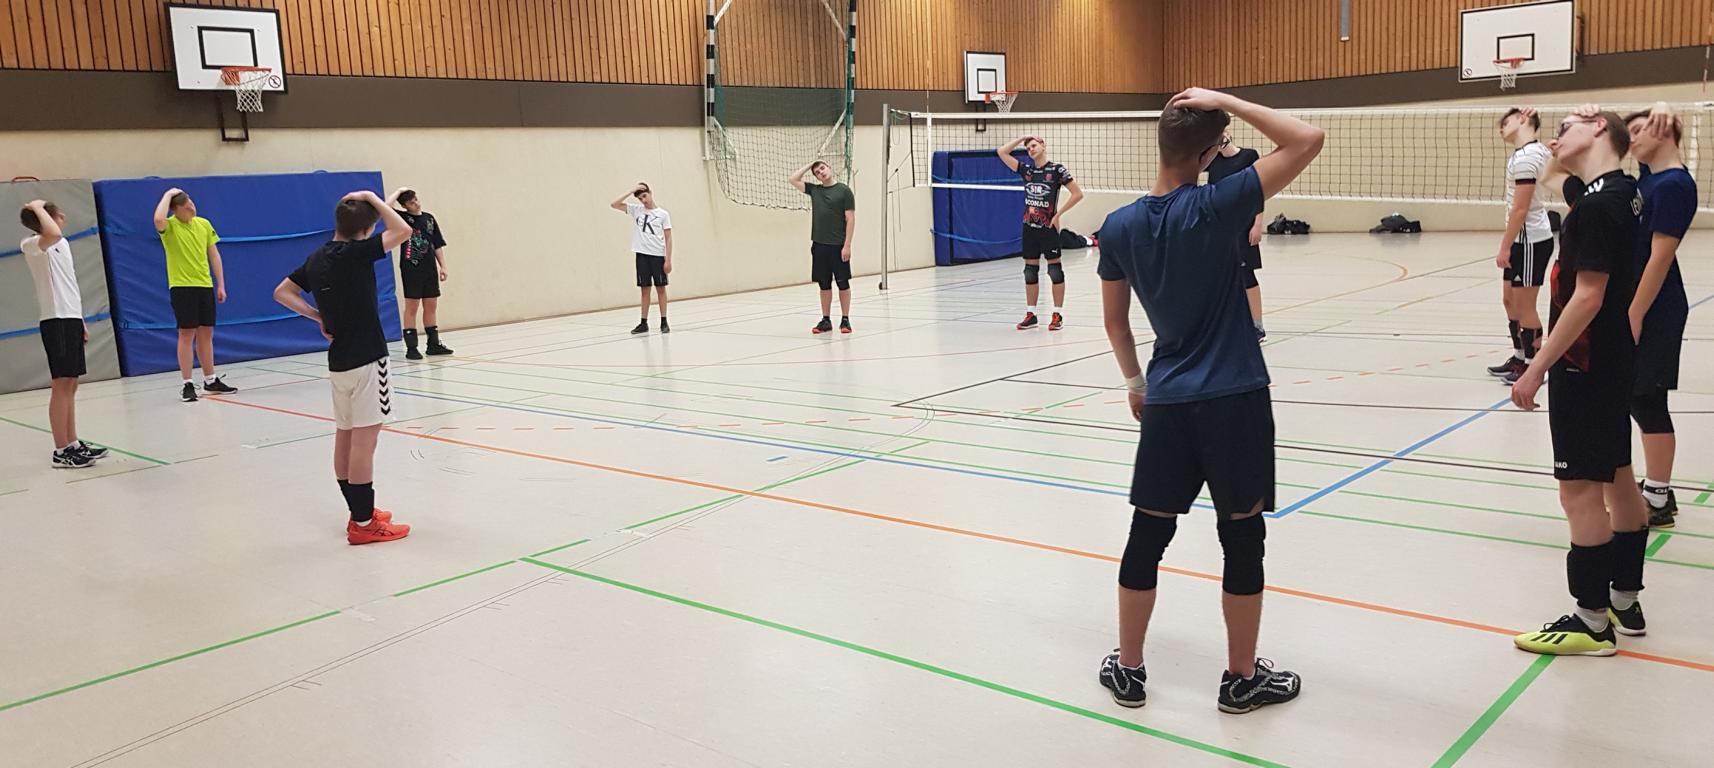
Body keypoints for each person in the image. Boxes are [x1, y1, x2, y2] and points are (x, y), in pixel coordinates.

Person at [1095, 87, 1323, 712]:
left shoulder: (1118, 227)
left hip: (1168, 402)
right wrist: (1226, 100)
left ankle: (1130, 669)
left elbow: (1116, 324)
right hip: (1235, 400)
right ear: (1206, 154)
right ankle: (1241, 679)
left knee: (1148, 534)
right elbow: (1306, 138)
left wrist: (1136, 384)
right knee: (1242, 539)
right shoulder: (1221, 204)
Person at [1510, 106, 1648, 654]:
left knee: (1579, 492)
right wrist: (1561, 146)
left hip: (1583, 364)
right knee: (1619, 476)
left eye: (1566, 127)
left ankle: (1591, 622)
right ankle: (1624, 600)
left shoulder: (1596, 207)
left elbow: (1587, 297)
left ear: (1598, 130)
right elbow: (1556, 176)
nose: (1554, 138)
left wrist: (1536, 367)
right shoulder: (1622, 191)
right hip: (1615, 359)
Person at [273, 191, 415, 545]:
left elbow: (282, 292)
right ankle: (364, 524)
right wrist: (372, 197)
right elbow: (403, 231)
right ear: (366, 229)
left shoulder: (317, 258)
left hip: (339, 363)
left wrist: (317, 316)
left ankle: (358, 512)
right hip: (368, 358)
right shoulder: (358, 252)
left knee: (346, 436)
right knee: (364, 443)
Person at [1623, 104, 1695, 530]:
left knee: (1648, 400)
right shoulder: (1649, 177)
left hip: (1656, 306)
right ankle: (1656, 488)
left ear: (1663, 130)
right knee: (1638, 397)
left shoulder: (1674, 185)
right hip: (1640, 302)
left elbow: (1661, 257)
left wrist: (1635, 314)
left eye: (1638, 130)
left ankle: (1658, 497)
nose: (1630, 139)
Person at [19, 200, 109, 469]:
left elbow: (69, 284)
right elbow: (52, 232)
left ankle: (72, 443)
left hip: (70, 319)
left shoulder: (63, 244)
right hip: (55, 321)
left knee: (71, 383)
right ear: (45, 219)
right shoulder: (32, 244)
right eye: (57, 213)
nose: (63, 216)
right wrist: (37, 208)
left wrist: (80, 320)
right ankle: (60, 451)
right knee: (61, 384)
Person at [1486, 108, 1556, 384]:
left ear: (1523, 120)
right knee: (1509, 300)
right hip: (1520, 239)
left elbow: (1521, 209)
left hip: (1530, 240)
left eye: (1506, 122)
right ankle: (1519, 356)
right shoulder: (1529, 153)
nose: (1501, 128)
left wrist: (1504, 247)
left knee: (1525, 306)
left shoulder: (1528, 157)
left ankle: (1534, 367)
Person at [153, 188, 237, 402]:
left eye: (191, 203)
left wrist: (221, 284)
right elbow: (158, 219)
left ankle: (210, 380)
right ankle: (187, 383)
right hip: (182, 287)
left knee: (206, 333)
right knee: (186, 334)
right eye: (186, 206)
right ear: (175, 209)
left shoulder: (204, 224)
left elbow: (214, 255)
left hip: (204, 285)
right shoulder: (170, 227)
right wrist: (168, 194)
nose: (192, 207)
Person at [997, 135, 1084, 331]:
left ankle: (1057, 314)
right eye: (1028, 148)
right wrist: (1022, 138)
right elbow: (1001, 152)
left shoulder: (1056, 170)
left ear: (1043, 146)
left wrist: (1058, 214)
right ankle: (1031, 314)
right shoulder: (1027, 171)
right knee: (1030, 271)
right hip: (1029, 227)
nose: (1031, 150)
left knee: (1055, 271)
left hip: (1048, 228)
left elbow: (1077, 194)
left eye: (1034, 145)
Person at [1205, 135, 1266, 338]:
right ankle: (1227, 324)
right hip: (1220, 226)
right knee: (1221, 276)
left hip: (1243, 224)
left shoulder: (1249, 156)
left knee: (1246, 275)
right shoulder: (1212, 161)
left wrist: (1257, 224)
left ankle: (1257, 326)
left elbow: (1257, 190)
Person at [386, 188, 453, 360]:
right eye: (410, 202)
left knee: (431, 305)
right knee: (412, 306)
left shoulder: (429, 218)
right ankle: (411, 347)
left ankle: (433, 344)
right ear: (404, 206)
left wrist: (443, 266)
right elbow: (386, 207)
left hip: (429, 268)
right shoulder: (402, 219)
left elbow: (437, 244)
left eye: (415, 199)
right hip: (411, 268)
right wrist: (399, 191)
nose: (415, 203)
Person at [789, 160, 855, 334]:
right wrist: (810, 164)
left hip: (838, 245)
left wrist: (847, 245)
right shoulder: (815, 190)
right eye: (817, 172)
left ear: (829, 168)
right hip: (819, 246)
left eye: (822, 168)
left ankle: (845, 319)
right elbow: (793, 179)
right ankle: (826, 320)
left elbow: (850, 219)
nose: (821, 172)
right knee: (824, 284)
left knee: (842, 282)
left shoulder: (844, 191)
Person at [611, 182, 673, 334]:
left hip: (658, 256)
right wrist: (631, 190)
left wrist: (668, 259)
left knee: (661, 289)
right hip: (642, 256)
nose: (643, 200)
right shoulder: (637, 210)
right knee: (645, 290)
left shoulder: (663, 214)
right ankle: (643, 323)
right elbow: (614, 204)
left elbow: (668, 238)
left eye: (645, 196)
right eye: (640, 198)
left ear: (650, 193)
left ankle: (664, 321)